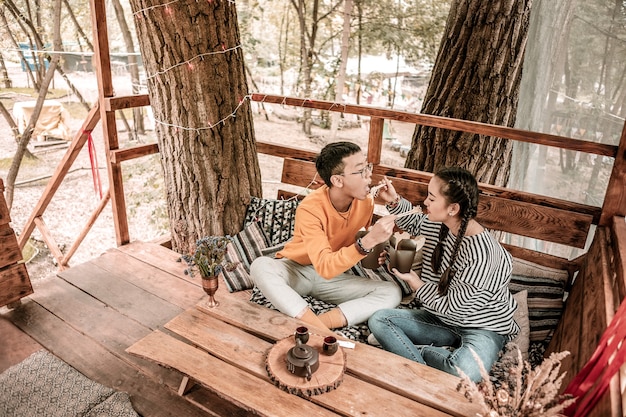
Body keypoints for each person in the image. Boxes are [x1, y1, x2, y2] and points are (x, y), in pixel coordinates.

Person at [368, 167, 519, 382]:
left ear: (453, 208)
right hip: (441, 320)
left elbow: (455, 308)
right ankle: (424, 368)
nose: (425, 202)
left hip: (483, 327)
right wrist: (394, 201)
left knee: (465, 372)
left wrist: (416, 284)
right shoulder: (439, 223)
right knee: (380, 320)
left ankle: (417, 353)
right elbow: (415, 222)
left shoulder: (483, 257)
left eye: (431, 197)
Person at [250, 141, 402, 332]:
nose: (369, 176)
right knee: (260, 266)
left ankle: (317, 325)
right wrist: (368, 241)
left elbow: (354, 247)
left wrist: (376, 247)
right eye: (361, 171)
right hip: (297, 271)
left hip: (334, 279)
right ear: (338, 181)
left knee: (392, 292)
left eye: (368, 167)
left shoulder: (366, 202)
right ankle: (314, 326)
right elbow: (325, 266)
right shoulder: (310, 208)